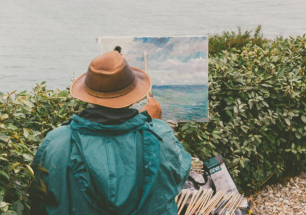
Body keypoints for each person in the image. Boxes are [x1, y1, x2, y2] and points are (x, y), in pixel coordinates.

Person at [31, 51, 192, 215]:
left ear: (87, 95)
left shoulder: (57, 141)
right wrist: (153, 123)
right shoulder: (160, 134)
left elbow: (37, 198)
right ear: (133, 95)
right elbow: (178, 174)